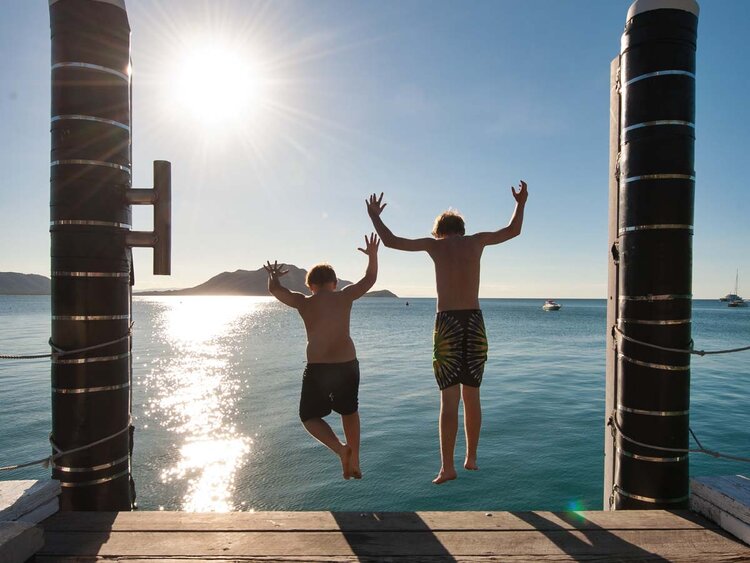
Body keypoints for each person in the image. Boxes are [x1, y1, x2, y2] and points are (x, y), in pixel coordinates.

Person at [366, 182, 527, 484]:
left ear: (439, 231)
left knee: (448, 399)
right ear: (462, 229)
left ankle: (447, 467)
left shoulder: (434, 245)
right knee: (473, 395)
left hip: (448, 325)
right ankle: (472, 457)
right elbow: (513, 230)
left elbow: (390, 241)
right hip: (474, 322)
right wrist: (521, 202)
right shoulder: (477, 241)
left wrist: (375, 215)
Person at [264, 233, 380, 480]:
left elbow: (275, 290)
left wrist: (273, 277)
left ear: (310, 285)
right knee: (349, 411)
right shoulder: (345, 296)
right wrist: (373, 255)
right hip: (347, 364)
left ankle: (341, 450)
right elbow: (370, 279)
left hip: (318, 369)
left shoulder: (303, 302)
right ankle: (355, 458)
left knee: (309, 416)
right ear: (335, 283)